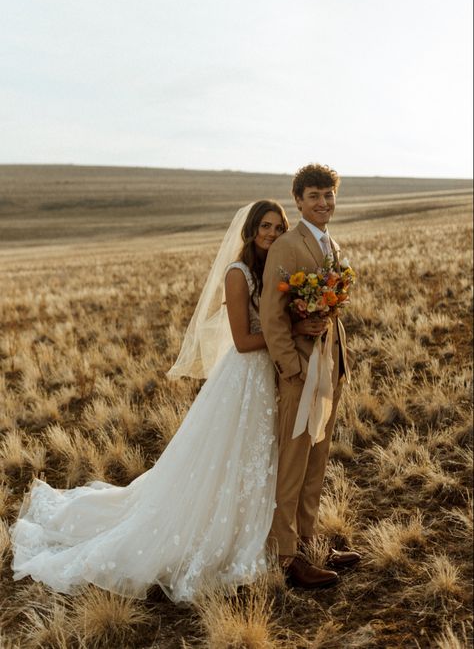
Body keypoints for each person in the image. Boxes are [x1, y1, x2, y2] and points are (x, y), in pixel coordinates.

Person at [10, 200, 288, 604]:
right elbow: (244, 342)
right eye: (265, 226)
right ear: (250, 229)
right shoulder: (238, 273)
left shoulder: (271, 270)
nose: (272, 233)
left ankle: (260, 530)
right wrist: (287, 332)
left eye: (279, 227)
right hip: (245, 377)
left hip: (267, 378)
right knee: (228, 456)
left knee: (257, 455)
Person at [260, 163, 361, 589]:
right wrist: (293, 369)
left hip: (331, 370)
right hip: (301, 373)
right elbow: (271, 316)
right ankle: (286, 557)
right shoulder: (287, 246)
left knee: (317, 461)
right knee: (293, 464)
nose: (323, 203)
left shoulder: (331, 244)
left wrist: (338, 364)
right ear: (298, 200)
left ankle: (309, 541)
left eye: (329, 195)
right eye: (315, 196)